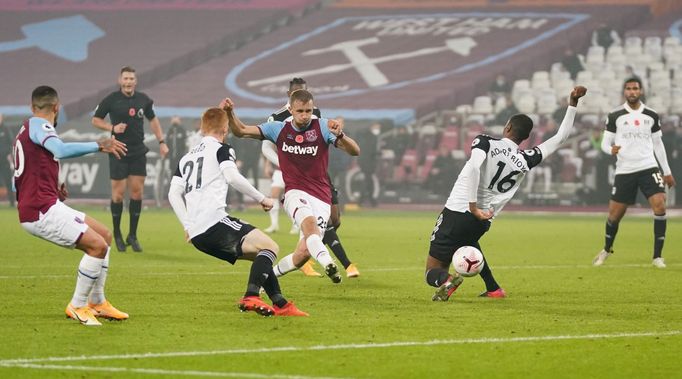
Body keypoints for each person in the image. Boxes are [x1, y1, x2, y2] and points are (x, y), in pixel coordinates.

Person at [426, 86, 586, 301]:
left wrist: (473, 206)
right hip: (484, 220)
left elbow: (474, 167)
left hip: (458, 211)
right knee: (471, 242)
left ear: (508, 127)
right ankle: (494, 289)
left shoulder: (485, 142)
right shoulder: (526, 159)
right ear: (525, 137)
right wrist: (573, 104)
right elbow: (560, 138)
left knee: (431, 271)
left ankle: (446, 281)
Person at [168, 107, 307, 316]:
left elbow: (173, 194)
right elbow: (232, 177)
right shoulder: (222, 149)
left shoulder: (186, 157)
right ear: (225, 128)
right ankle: (251, 296)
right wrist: (262, 198)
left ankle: (280, 303)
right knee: (270, 247)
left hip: (197, 233)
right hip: (214, 222)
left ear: (203, 127)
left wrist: (187, 225)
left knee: (261, 256)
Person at [14, 86, 128, 326]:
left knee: (104, 236)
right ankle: (77, 305)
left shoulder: (27, 128)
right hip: (40, 211)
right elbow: (61, 149)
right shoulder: (40, 125)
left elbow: (25, 176)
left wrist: (51, 185)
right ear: (57, 108)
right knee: (96, 246)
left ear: (31, 106)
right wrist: (99, 145)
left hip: (46, 202)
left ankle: (97, 302)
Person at [223, 89, 361, 284]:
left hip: (321, 196)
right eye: (300, 111)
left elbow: (355, 151)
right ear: (291, 109)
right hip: (295, 192)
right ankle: (329, 263)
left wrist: (342, 135)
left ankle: (269, 277)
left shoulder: (322, 126)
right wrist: (230, 113)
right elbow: (241, 131)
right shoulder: (278, 129)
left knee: (303, 254)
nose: (305, 115)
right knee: (310, 227)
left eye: (308, 110)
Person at [262, 78, 360, 278]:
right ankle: (337, 263)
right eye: (298, 93)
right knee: (304, 220)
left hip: (318, 177)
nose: (305, 107)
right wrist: (284, 163)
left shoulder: (317, 117)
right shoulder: (277, 118)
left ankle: (303, 254)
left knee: (335, 220)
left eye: (305, 94)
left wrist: (340, 136)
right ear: (290, 98)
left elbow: (340, 145)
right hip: (291, 174)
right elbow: (265, 146)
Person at [593, 77, 675, 268]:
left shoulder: (651, 115)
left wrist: (667, 171)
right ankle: (606, 249)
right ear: (624, 92)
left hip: (648, 166)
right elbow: (606, 143)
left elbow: (657, 144)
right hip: (625, 170)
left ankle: (657, 257)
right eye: (628, 89)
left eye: (635, 88)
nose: (632, 91)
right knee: (614, 215)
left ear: (641, 91)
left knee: (660, 206)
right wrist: (609, 150)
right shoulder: (615, 115)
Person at [92, 66, 169, 253]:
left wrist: (161, 141)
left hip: (138, 151)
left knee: (137, 193)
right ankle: (117, 233)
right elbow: (95, 120)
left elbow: (153, 120)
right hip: (117, 150)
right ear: (120, 80)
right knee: (118, 194)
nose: (128, 82)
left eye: (131, 79)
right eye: (125, 78)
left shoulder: (144, 100)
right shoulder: (111, 99)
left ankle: (132, 235)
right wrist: (112, 128)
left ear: (135, 81)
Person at [357, 122, 381, 207]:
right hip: (368, 163)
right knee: (368, 182)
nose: (377, 129)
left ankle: (367, 200)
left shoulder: (365, 137)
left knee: (368, 182)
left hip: (365, 162)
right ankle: (365, 200)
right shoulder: (372, 138)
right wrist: (379, 153)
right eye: (376, 127)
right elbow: (370, 151)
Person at [0, 113, 15, 207]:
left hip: (4, 160)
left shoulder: (6, 129)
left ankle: (12, 202)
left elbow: (12, 143)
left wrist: (9, 153)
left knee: (8, 181)